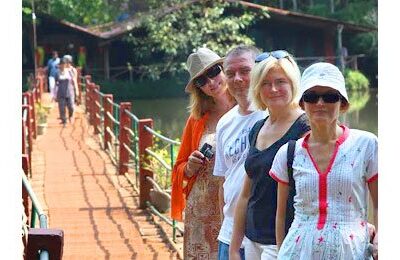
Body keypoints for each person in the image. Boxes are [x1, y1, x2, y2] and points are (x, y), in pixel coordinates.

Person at [270, 62, 378, 259]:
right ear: (302, 104)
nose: (320, 103)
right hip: (299, 251)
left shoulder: (366, 145)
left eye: (329, 96)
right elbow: (281, 215)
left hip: (351, 251)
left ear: (343, 104)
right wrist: (280, 252)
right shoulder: (289, 153)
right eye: (311, 97)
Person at [229, 50, 310, 260]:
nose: (273, 89)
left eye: (280, 81)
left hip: (285, 241)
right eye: (265, 83)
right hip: (253, 238)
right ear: (257, 88)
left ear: (293, 84)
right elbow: (246, 194)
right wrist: (234, 248)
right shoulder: (257, 128)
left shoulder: (306, 128)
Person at [171, 47, 235, 259]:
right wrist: (190, 166)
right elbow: (180, 169)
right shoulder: (197, 119)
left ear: (225, 68)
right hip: (202, 208)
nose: (210, 82)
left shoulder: (249, 109)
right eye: (201, 80)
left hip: (236, 205)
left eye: (214, 71)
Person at [213, 45, 266, 260]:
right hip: (229, 235)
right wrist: (225, 225)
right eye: (230, 73)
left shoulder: (271, 115)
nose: (237, 79)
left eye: (245, 71)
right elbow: (223, 181)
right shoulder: (225, 123)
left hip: (263, 237)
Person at [54, 57, 75, 126]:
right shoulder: (57, 73)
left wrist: (76, 90)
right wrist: (54, 95)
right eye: (61, 64)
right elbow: (56, 84)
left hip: (69, 91)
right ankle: (64, 120)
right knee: (62, 108)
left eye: (64, 64)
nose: (62, 65)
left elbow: (73, 79)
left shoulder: (69, 71)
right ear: (59, 65)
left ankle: (70, 116)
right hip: (61, 92)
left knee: (71, 107)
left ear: (66, 64)